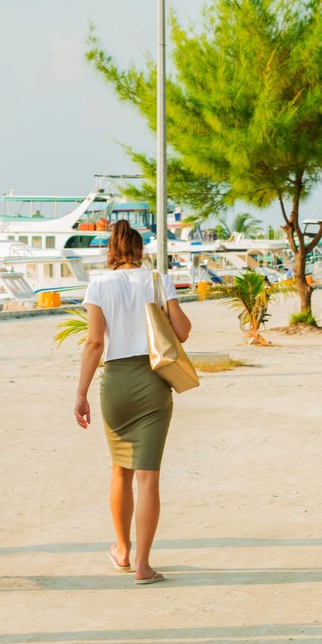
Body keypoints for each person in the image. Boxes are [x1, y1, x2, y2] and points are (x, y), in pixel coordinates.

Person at [73, 221, 191, 585]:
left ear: (111, 251)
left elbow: (94, 343)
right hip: (153, 381)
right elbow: (183, 332)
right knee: (148, 477)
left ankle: (122, 550)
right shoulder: (157, 280)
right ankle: (143, 565)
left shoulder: (98, 285)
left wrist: (81, 393)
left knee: (119, 470)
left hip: (116, 383)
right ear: (140, 250)